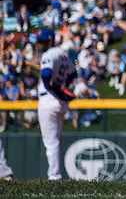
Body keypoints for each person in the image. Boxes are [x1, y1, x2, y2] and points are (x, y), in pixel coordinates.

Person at [36, 29, 76, 180]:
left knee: (50, 142)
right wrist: (64, 87)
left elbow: (46, 75)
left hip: (49, 99)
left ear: (50, 41)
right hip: (60, 102)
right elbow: (73, 73)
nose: (39, 45)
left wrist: (56, 89)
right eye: (38, 42)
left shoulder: (49, 54)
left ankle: (54, 177)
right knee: (55, 140)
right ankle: (55, 175)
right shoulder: (63, 54)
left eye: (42, 42)